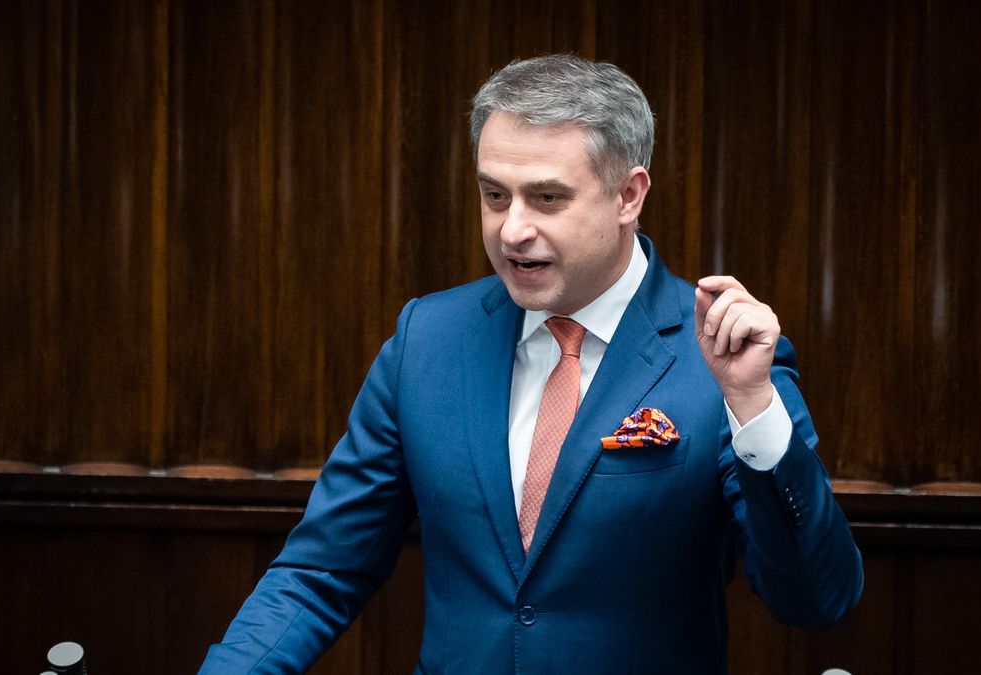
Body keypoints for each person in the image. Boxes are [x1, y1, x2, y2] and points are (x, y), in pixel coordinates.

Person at [200, 54, 863, 675]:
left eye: (546, 198)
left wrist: (753, 412)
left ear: (628, 195)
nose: (512, 229)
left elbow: (816, 598)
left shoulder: (717, 354)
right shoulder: (427, 340)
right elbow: (322, 570)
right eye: (495, 196)